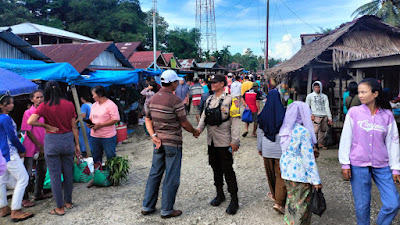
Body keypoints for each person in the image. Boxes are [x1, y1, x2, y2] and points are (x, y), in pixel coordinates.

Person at [339, 78, 400, 225]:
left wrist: (396, 167)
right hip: (358, 164)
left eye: (364, 92)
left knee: (393, 203)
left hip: (382, 165)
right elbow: (346, 138)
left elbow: (393, 142)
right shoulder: (354, 113)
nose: (360, 95)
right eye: (359, 92)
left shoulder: (387, 115)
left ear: (375, 94)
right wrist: (345, 164)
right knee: (362, 206)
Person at [141, 70, 199, 219]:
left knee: (155, 173)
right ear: (172, 83)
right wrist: (194, 131)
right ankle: (167, 209)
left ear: (161, 83)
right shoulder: (175, 101)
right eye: (176, 82)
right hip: (172, 142)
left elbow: (147, 119)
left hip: (158, 142)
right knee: (171, 176)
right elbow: (184, 123)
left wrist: (153, 135)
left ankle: (147, 206)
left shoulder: (152, 99)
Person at [27, 81, 80, 216]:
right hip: (67, 140)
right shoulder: (69, 104)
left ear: (46, 92)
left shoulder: (44, 106)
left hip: (52, 141)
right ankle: (68, 202)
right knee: (68, 173)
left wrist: (46, 126)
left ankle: (60, 208)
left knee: (55, 176)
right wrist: (77, 145)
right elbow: (74, 127)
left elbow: (30, 121)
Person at [196, 74, 241, 215]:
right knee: (215, 168)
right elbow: (204, 116)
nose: (212, 84)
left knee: (227, 169)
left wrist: (235, 141)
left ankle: (234, 199)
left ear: (222, 83)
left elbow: (235, 121)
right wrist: (198, 130)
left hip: (224, 141)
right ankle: (220, 194)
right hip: (212, 141)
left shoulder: (231, 100)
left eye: (215, 82)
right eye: (211, 82)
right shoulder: (209, 99)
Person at [279, 101, 322, 225]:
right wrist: (316, 180)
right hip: (300, 174)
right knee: (302, 205)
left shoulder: (286, 129)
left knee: (291, 201)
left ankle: (289, 222)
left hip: (287, 172)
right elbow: (308, 159)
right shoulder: (304, 132)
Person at [0, 95, 33, 222]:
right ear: (2, 105)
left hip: (2, 153)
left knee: (2, 181)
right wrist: (22, 149)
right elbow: (13, 137)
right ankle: (16, 210)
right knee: (23, 178)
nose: (12, 105)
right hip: (10, 153)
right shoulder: (6, 118)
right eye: (9, 103)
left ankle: (3, 207)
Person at [257, 89, 286, 214]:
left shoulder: (263, 114)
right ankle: (279, 202)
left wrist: (259, 148)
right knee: (280, 175)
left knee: (270, 174)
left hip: (267, 149)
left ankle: (275, 196)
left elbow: (260, 133)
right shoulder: (284, 113)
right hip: (280, 149)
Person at [21, 90, 52, 208]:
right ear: (32, 100)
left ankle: (38, 193)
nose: (40, 100)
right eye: (37, 98)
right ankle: (24, 198)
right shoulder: (28, 113)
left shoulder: (46, 111)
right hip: (31, 147)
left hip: (45, 145)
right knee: (27, 174)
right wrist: (39, 145)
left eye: (41, 97)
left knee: (42, 170)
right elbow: (27, 131)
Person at [88, 86, 120, 164]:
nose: (93, 97)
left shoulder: (111, 105)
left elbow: (116, 119)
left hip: (107, 136)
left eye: (94, 94)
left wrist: (101, 125)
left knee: (110, 156)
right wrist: (90, 124)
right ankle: (99, 174)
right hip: (95, 135)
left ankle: (112, 174)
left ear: (100, 94)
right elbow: (91, 118)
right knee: (96, 156)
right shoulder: (94, 105)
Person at [305, 81, 332, 150]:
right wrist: (310, 115)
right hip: (315, 115)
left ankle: (321, 143)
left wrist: (329, 117)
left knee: (322, 131)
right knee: (314, 131)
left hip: (324, 115)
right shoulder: (310, 96)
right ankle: (314, 144)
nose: (317, 88)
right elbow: (307, 106)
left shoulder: (324, 96)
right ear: (313, 87)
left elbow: (327, 107)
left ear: (321, 87)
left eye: (318, 87)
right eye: (315, 87)